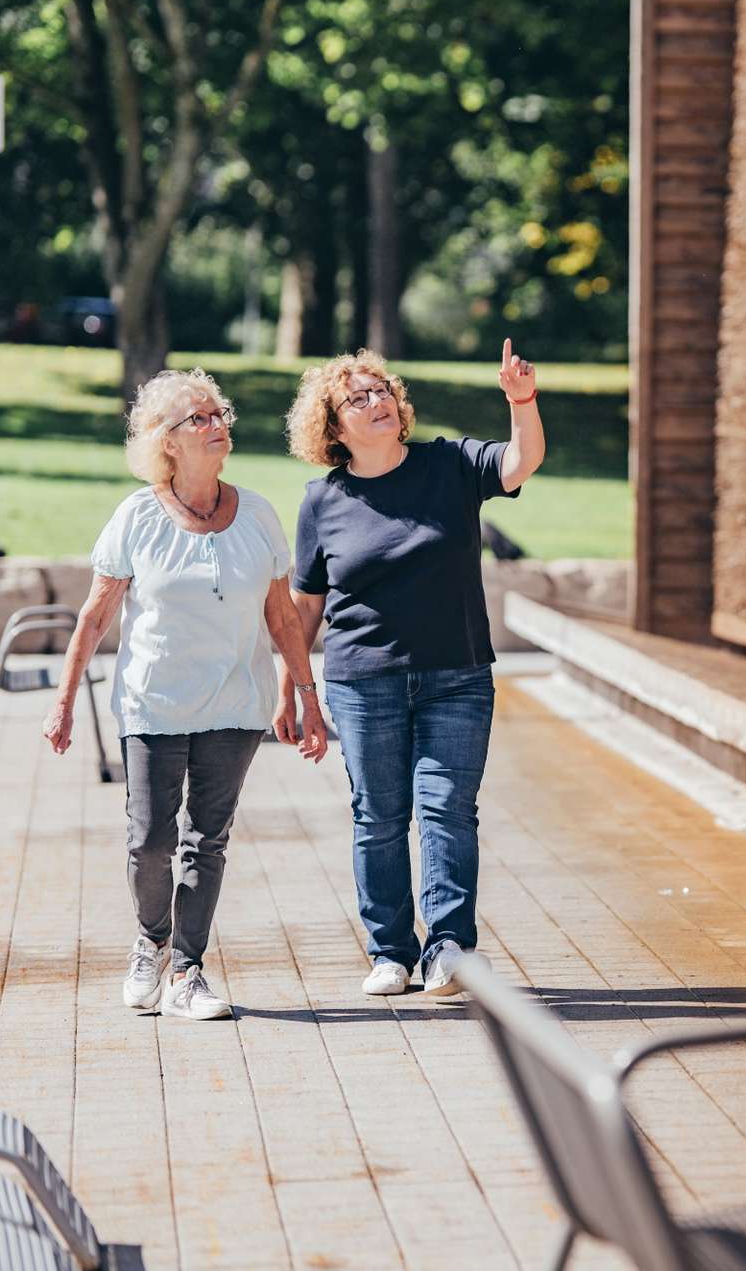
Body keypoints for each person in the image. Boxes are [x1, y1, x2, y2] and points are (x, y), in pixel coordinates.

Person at [42, 369, 328, 1020]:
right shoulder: (138, 517)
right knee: (149, 840)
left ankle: (189, 971)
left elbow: (282, 618)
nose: (215, 423)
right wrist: (62, 701)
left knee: (208, 840)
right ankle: (151, 940)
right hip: (154, 704)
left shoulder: (256, 513)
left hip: (236, 704)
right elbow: (94, 616)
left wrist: (306, 694)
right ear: (164, 441)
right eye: (197, 418)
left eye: (218, 412)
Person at [279, 341, 545, 998]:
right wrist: (292, 687)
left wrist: (522, 401)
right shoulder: (323, 500)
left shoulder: (449, 463)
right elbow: (305, 604)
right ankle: (390, 951)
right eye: (358, 397)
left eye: (382, 390)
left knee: (448, 810)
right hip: (362, 682)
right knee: (378, 815)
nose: (377, 402)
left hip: (457, 676)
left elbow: (521, 461)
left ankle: (449, 947)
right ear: (333, 427)